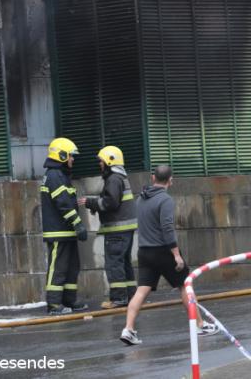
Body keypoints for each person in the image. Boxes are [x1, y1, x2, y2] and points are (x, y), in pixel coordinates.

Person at [120, 165, 215, 345]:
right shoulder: (165, 200)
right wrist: (176, 255)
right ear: (171, 180)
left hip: (144, 251)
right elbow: (167, 228)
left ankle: (129, 329)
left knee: (141, 291)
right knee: (185, 285)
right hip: (163, 251)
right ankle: (200, 325)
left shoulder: (140, 199)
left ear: (153, 178)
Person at [79, 146, 138, 309]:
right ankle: (132, 296)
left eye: (101, 161)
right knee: (124, 263)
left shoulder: (113, 179)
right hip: (124, 230)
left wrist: (90, 202)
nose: (100, 164)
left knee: (114, 264)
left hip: (117, 231)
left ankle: (119, 299)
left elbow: (110, 202)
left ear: (109, 161)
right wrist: (96, 204)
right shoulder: (120, 178)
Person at [40, 137, 89, 315]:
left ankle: (69, 300)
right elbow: (63, 204)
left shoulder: (60, 176)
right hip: (58, 232)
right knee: (58, 268)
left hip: (66, 231)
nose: (73, 160)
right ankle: (54, 304)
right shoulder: (54, 176)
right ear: (61, 155)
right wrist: (78, 224)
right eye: (71, 156)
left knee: (71, 267)